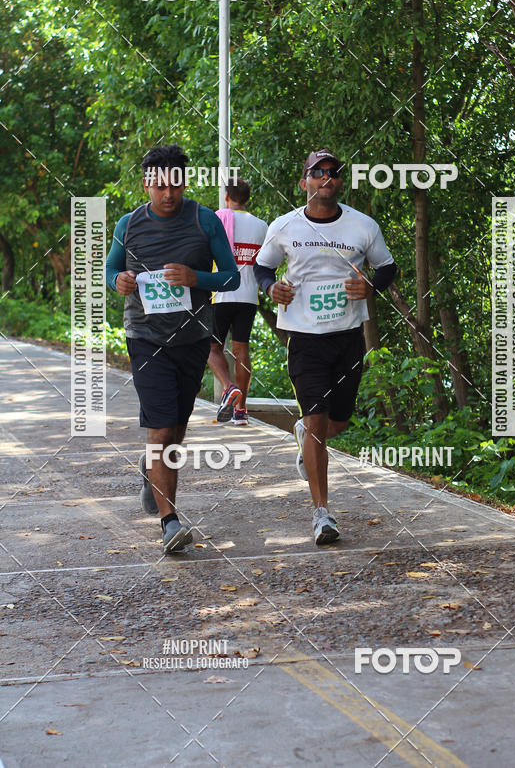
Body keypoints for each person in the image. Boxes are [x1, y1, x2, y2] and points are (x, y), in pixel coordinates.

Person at [253, 148, 397, 545]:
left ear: (340, 182)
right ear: (305, 182)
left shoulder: (362, 226)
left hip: (348, 337)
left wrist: (371, 286)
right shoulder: (284, 226)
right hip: (303, 337)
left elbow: (387, 267)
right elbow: (262, 266)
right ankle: (322, 513)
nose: (326, 178)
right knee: (316, 422)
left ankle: (303, 432)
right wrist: (271, 287)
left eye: (334, 173)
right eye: (318, 172)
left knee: (338, 423)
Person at [105, 145, 240, 554]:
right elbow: (111, 269)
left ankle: (152, 470)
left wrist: (195, 277)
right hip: (145, 337)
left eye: (175, 184)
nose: (168, 193)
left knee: (175, 431)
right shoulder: (128, 225)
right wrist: (119, 282)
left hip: (193, 339)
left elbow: (232, 278)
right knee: (162, 428)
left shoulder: (204, 221)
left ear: (184, 181)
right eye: (159, 185)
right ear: (147, 183)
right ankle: (171, 523)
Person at [209, 177, 268, 425]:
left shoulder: (215, 219)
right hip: (248, 295)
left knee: (210, 347)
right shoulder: (262, 226)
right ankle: (241, 410)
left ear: (226, 196)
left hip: (220, 294)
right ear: (248, 198)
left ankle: (228, 387)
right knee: (241, 350)